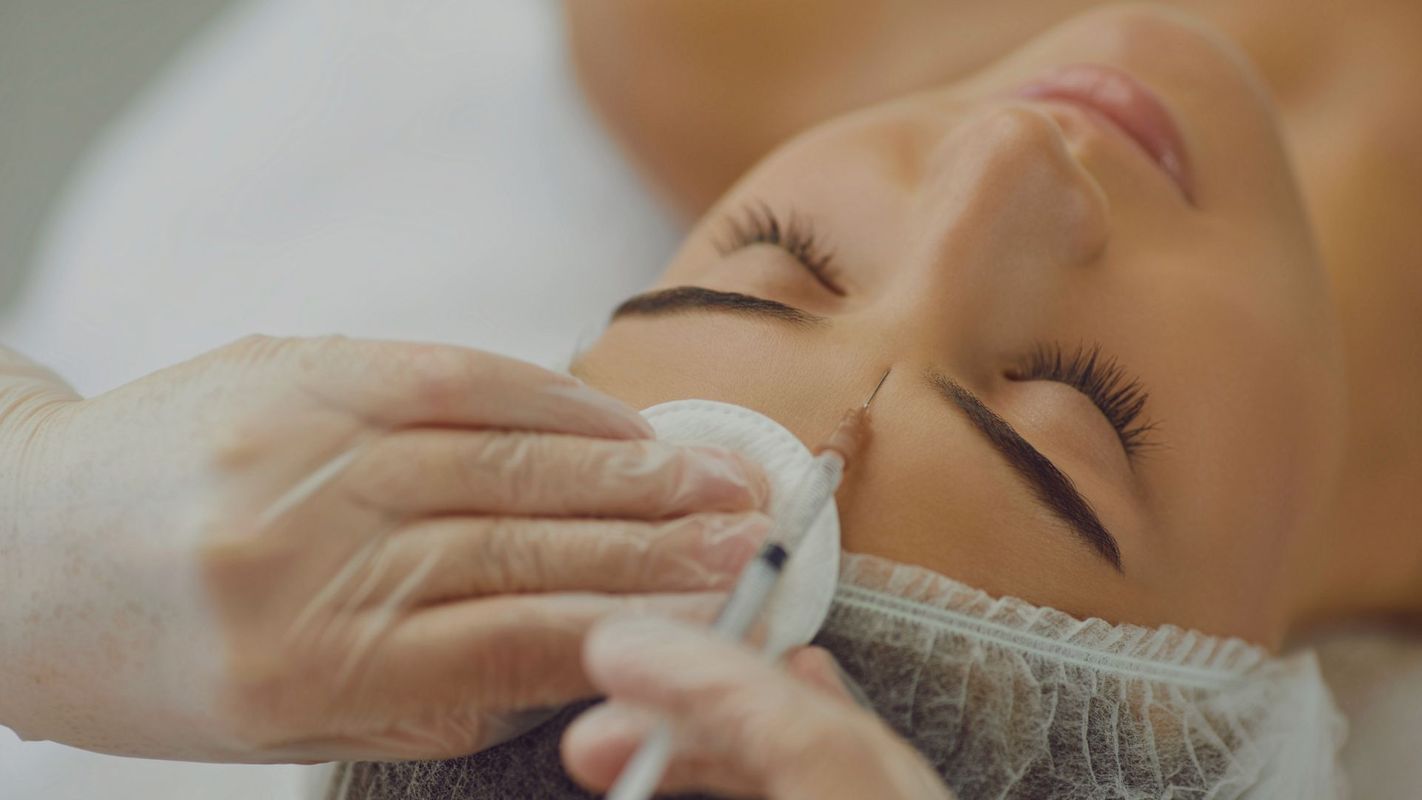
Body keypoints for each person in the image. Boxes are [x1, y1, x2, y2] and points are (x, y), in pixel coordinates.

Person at [332, 4, 1420, 798]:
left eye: (776, 258)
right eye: (1076, 406)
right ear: (1237, 721)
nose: (1005, 150)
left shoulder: (701, 35)